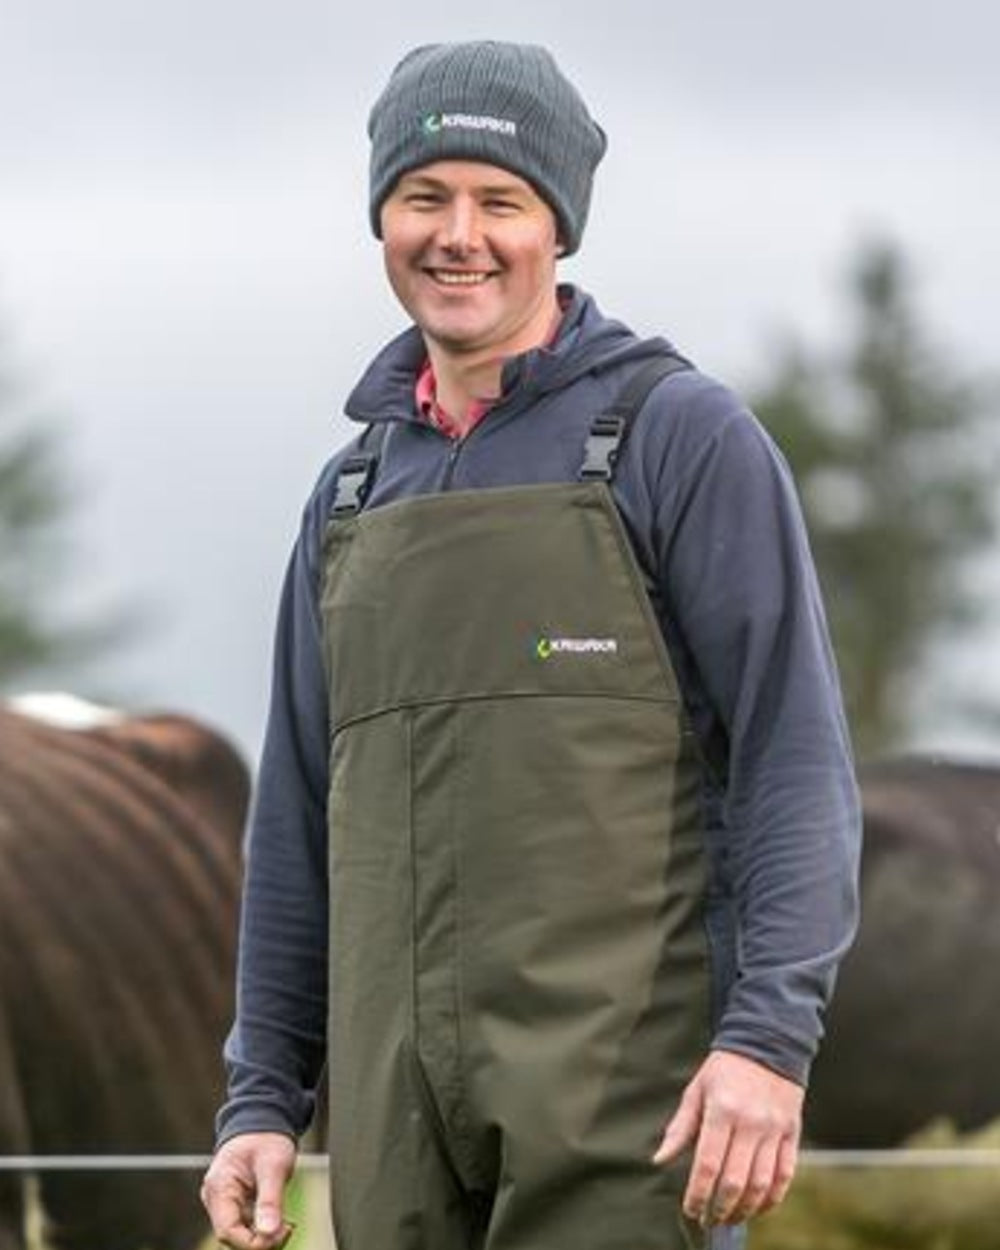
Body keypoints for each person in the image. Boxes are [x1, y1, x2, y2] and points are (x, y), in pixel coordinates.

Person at [201, 40, 861, 1250]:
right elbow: (299, 815)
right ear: (381, 219)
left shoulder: (677, 439)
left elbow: (795, 761)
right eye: (423, 198)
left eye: (499, 201)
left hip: (625, 1107)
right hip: (395, 1122)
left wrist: (766, 1040)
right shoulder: (349, 494)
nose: (459, 235)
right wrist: (263, 1092)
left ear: (556, 225)